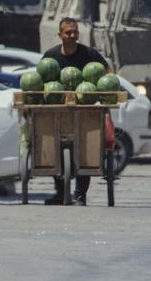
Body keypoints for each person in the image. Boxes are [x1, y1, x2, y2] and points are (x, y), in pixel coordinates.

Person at [42, 17, 111, 206]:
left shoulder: (89, 55)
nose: (72, 35)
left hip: (85, 111)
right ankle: (60, 193)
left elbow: (107, 72)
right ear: (60, 35)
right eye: (68, 32)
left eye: (75, 32)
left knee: (84, 152)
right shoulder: (51, 57)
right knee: (55, 149)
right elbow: (41, 82)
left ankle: (80, 195)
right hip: (58, 112)